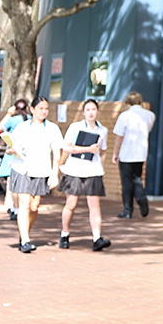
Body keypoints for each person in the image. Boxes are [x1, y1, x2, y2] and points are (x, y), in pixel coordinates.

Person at [5, 97, 61, 254]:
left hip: (42, 170)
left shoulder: (52, 128)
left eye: (46, 109)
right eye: (41, 108)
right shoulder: (22, 127)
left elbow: (57, 154)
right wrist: (12, 150)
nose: (44, 112)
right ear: (32, 109)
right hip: (22, 169)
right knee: (24, 203)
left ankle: (25, 233)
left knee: (34, 206)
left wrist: (54, 174)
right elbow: (10, 148)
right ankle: (25, 240)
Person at [57, 98, 110, 251]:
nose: (91, 113)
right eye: (88, 110)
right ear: (83, 112)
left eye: (93, 109)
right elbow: (67, 148)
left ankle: (97, 237)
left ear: (98, 111)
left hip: (93, 170)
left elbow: (103, 150)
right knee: (71, 203)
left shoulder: (103, 130)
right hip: (75, 169)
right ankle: (65, 234)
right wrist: (87, 149)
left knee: (94, 205)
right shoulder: (75, 127)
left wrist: (101, 165)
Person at [112, 93, 156, 219]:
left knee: (127, 183)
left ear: (127, 103)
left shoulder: (124, 116)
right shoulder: (150, 115)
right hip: (140, 153)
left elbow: (119, 136)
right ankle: (141, 197)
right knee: (137, 178)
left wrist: (115, 153)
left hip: (126, 153)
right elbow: (148, 129)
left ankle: (127, 210)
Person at [0, 97, 32, 221]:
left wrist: (8, 113)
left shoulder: (13, 120)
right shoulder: (31, 120)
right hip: (28, 156)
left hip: (13, 155)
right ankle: (21, 208)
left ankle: (14, 208)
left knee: (13, 185)